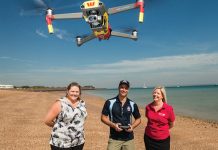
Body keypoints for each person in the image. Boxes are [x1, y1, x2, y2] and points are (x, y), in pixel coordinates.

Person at [44, 82, 87, 150]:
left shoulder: (82, 104)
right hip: (61, 142)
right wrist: (59, 127)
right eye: (72, 91)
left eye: (77, 92)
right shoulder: (60, 103)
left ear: (79, 93)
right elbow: (47, 121)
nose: (74, 93)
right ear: (67, 91)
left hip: (79, 141)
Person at [101, 80, 141, 150]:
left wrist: (132, 126)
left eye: (126, 88)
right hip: (114, 138)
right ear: (118, 88)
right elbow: (103, 118)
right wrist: (113, 125)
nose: (124, 90)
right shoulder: (109, 102)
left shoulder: (132, 104)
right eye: (122, 87)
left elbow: (138, 119)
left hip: (128, 139)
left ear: (128, 90)